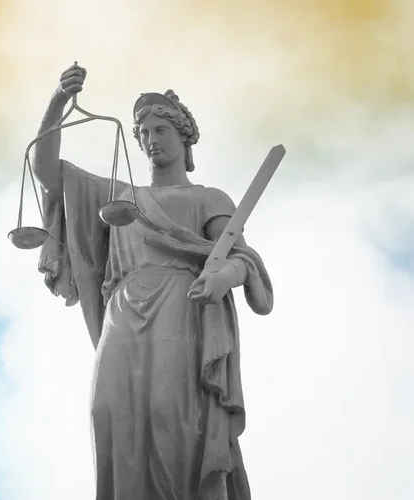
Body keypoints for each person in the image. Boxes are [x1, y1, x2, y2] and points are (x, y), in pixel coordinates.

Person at [33, 63, 274, 500]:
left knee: (172, 416)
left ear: (184, 137)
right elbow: (47, 171)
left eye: (161, 130)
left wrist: (224, 276)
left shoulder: (207, 198)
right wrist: (58, 101)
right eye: (143, 133)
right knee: (108, 410)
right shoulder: (119, 200)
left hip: (181, 307)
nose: (151, 140)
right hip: (123, 311)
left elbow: (241, 258)